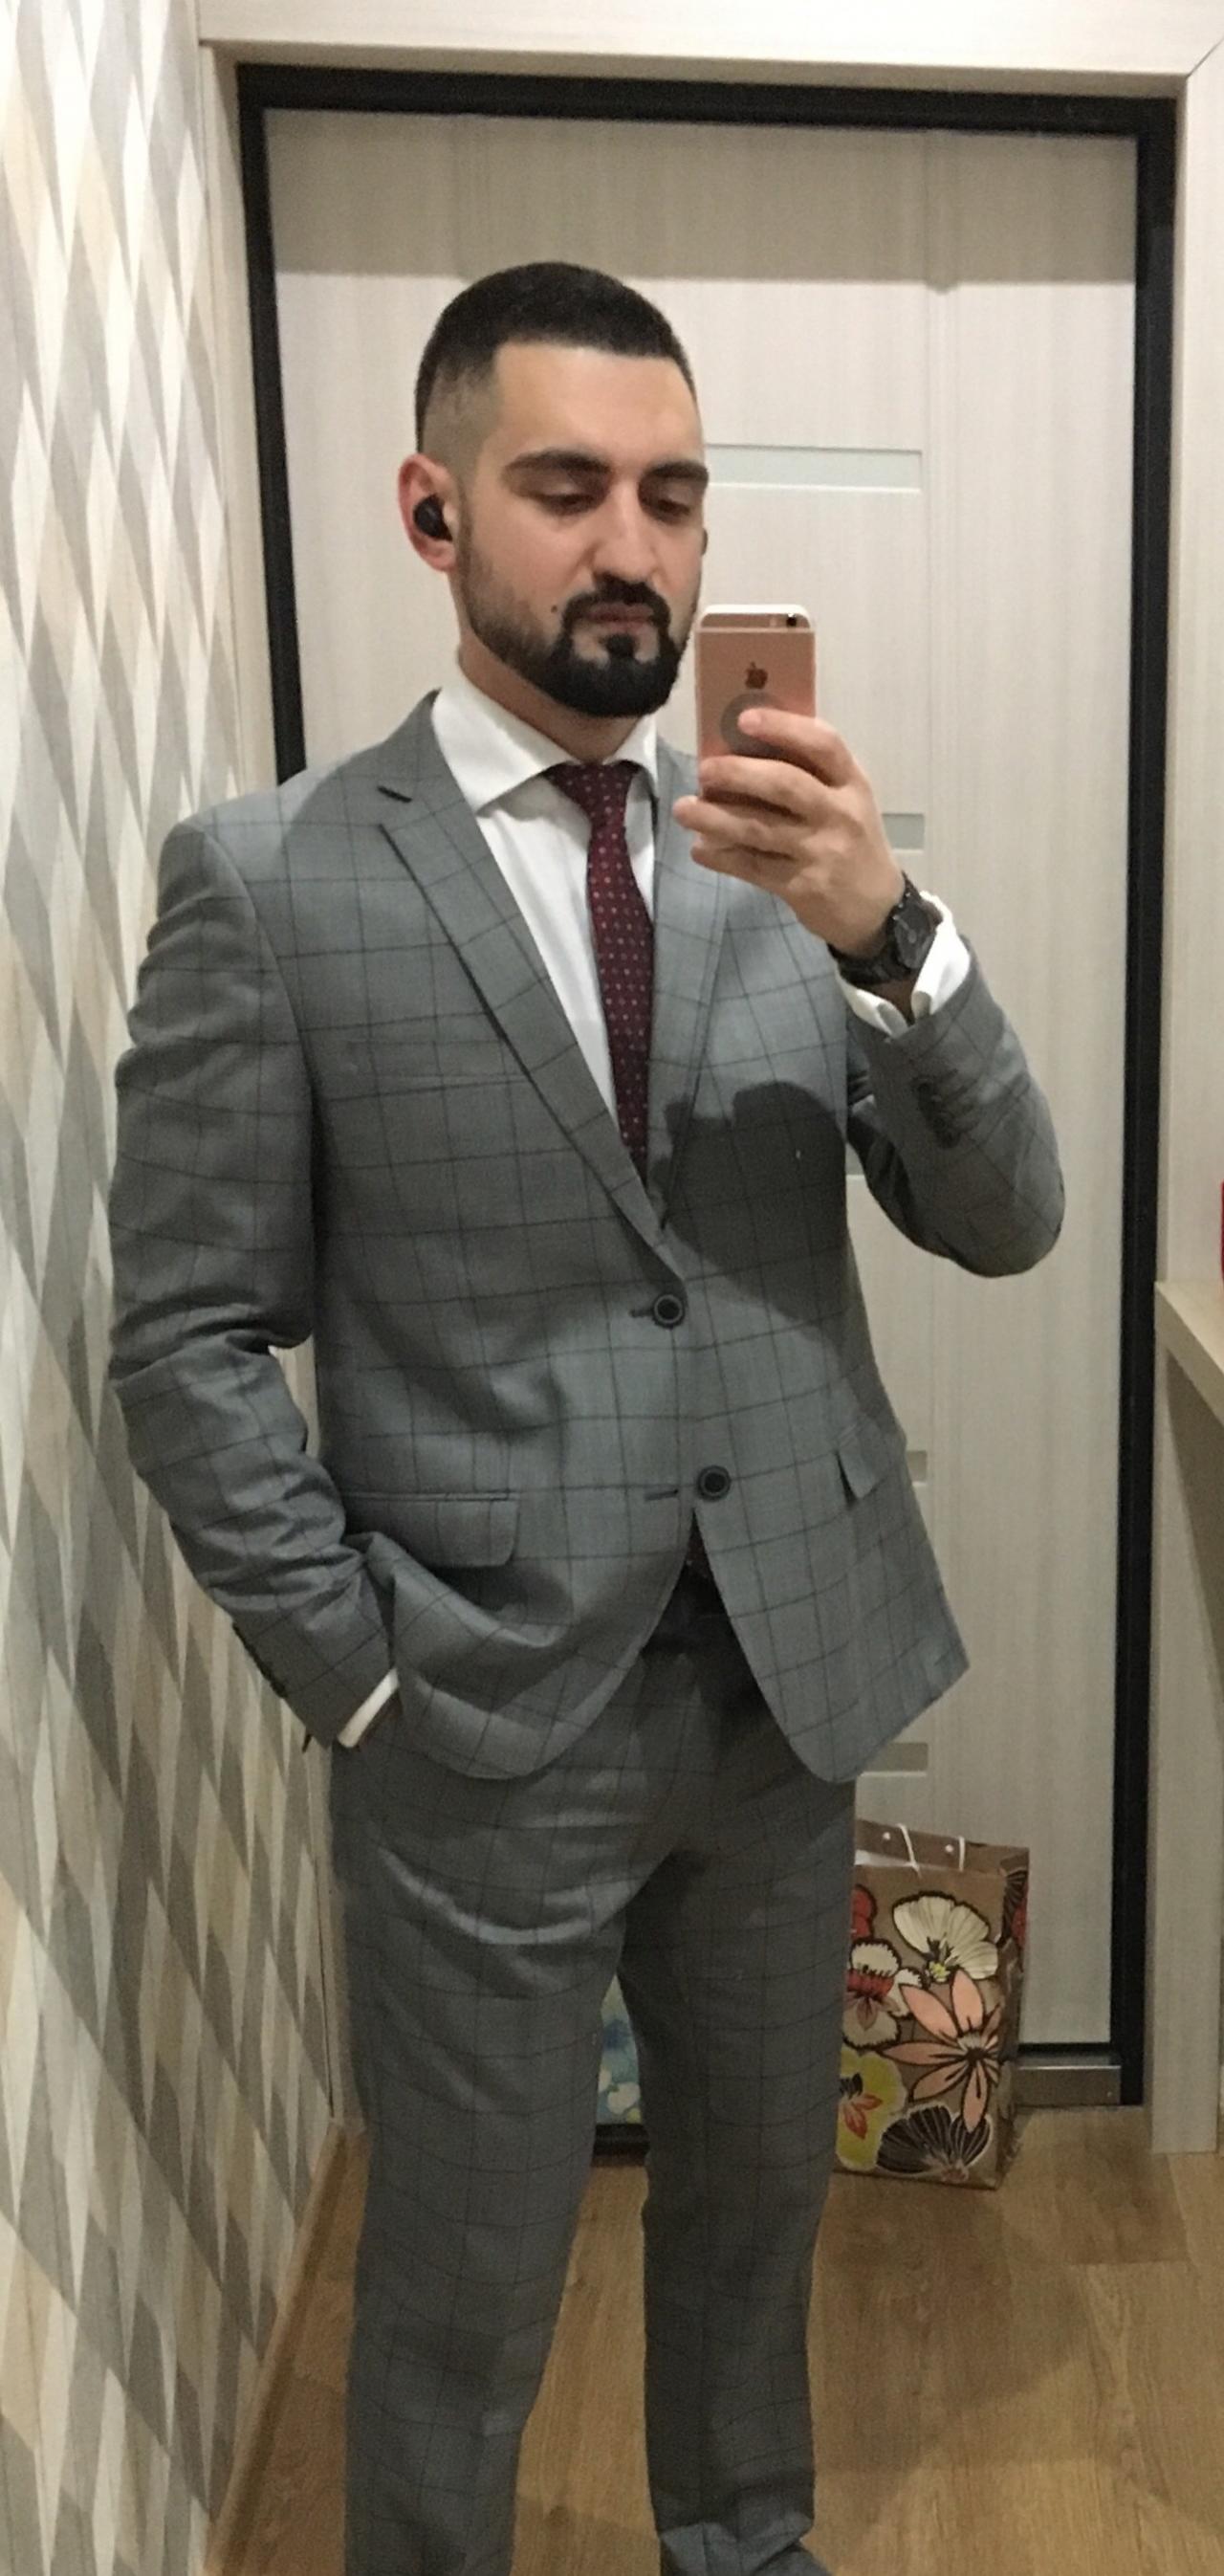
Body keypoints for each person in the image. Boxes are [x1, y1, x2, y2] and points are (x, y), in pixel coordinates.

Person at [106, 260, 1063, 2576]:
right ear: (432, 511)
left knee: (751, 2219)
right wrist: (355, 1675)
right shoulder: (274, 881)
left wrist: (893, 931)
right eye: (565, 488)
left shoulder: (783, 862)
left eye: (673, 493)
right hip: (474, 1729)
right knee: (461, 2287)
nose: (632, 545)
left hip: (781, 1695)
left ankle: (740, 2543)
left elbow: (1008, 1218)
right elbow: (187, 1338)